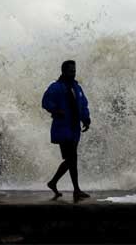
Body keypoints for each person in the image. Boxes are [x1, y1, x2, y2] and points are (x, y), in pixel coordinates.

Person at [42, 60, 91, 201]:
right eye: (71, 71)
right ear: (64, 71)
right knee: (72, 158)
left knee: (71, 159)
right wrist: (56, 110)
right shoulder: (56, 87)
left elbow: (83, 104)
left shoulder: (77, 88)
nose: (73, 73)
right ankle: (76, 190)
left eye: (74, 70)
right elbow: (45, 101)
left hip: (74, 128)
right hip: (62, 128)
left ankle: (53, 183)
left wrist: (86, 119)